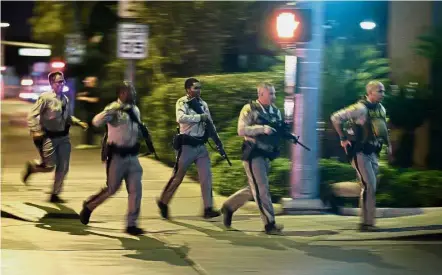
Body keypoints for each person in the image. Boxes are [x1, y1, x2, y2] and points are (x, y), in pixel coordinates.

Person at [79, 81, 146, 236]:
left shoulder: (135, 109)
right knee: (112, 189)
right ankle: (89, 206)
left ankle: (131, 224)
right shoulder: (113, 109)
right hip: (117, 157)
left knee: (136, 190)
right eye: (130, 91)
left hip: (133, 156)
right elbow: (96, 122)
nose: (133, 94)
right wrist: (110, 112)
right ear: (122, 93)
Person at [221, 82, 284, 235]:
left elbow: (280, 130)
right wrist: (262, 129)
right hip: (253, 152)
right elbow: (241, 130)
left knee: (255, 187)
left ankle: (229, 206)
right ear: (261, 94)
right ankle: (269, 224)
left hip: (266, 153)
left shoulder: (275, 111)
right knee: (262, 188)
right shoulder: (249, 109)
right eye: (271, 94)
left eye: (274, 93)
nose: (274, 97)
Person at [330, 80, 391, 232]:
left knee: (368, 185)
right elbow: (335, 118)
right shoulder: (360, 108)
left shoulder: (381, 108)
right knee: (369, 185)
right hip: (359, 152)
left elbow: (383, 128)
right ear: (370, 92)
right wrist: (343, 138)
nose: (383, 94)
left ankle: (336, 190)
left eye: (383, 91)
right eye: (380, 91)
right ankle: (366, 224)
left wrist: (389, 145)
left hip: (373, 152)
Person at [157, 78, 220, 220]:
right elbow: (181, 118)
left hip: (201, 146)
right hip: (186, 146)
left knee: (206, 177)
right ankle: (163, 202)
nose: (198, 90)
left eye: (199, 88)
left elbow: (209, 123)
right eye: (195, 88)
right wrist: (199, 117)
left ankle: (208, 208)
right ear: (188, 90)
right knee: (177, 178)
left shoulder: (203, 104)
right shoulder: (182, 102)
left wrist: (217, 141)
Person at [22, 71, 88, 203]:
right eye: (59, 81)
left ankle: (55, 194)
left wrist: (78, 122)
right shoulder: (45, 98)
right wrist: (35, 130)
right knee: (50, 166)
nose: (62, 83)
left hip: (64, 137)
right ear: (52, 83)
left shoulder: (65, 99)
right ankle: (33, 168)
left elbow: (67, 116)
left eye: (63, 81)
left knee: (63, 167)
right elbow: (31, 115)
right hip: (49, 137)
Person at [76, 76, 101, 148]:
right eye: (86, 81)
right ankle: (88, 142)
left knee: (90, 127)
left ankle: (90, 143)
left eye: (88, 81)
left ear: (93, 82)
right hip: (86, 111)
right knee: (87, 126)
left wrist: (83, 98)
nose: (86, 82)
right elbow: (78, 95)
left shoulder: (95, 90)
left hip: (93, 111)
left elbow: (95, 100)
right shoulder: (84, 89)